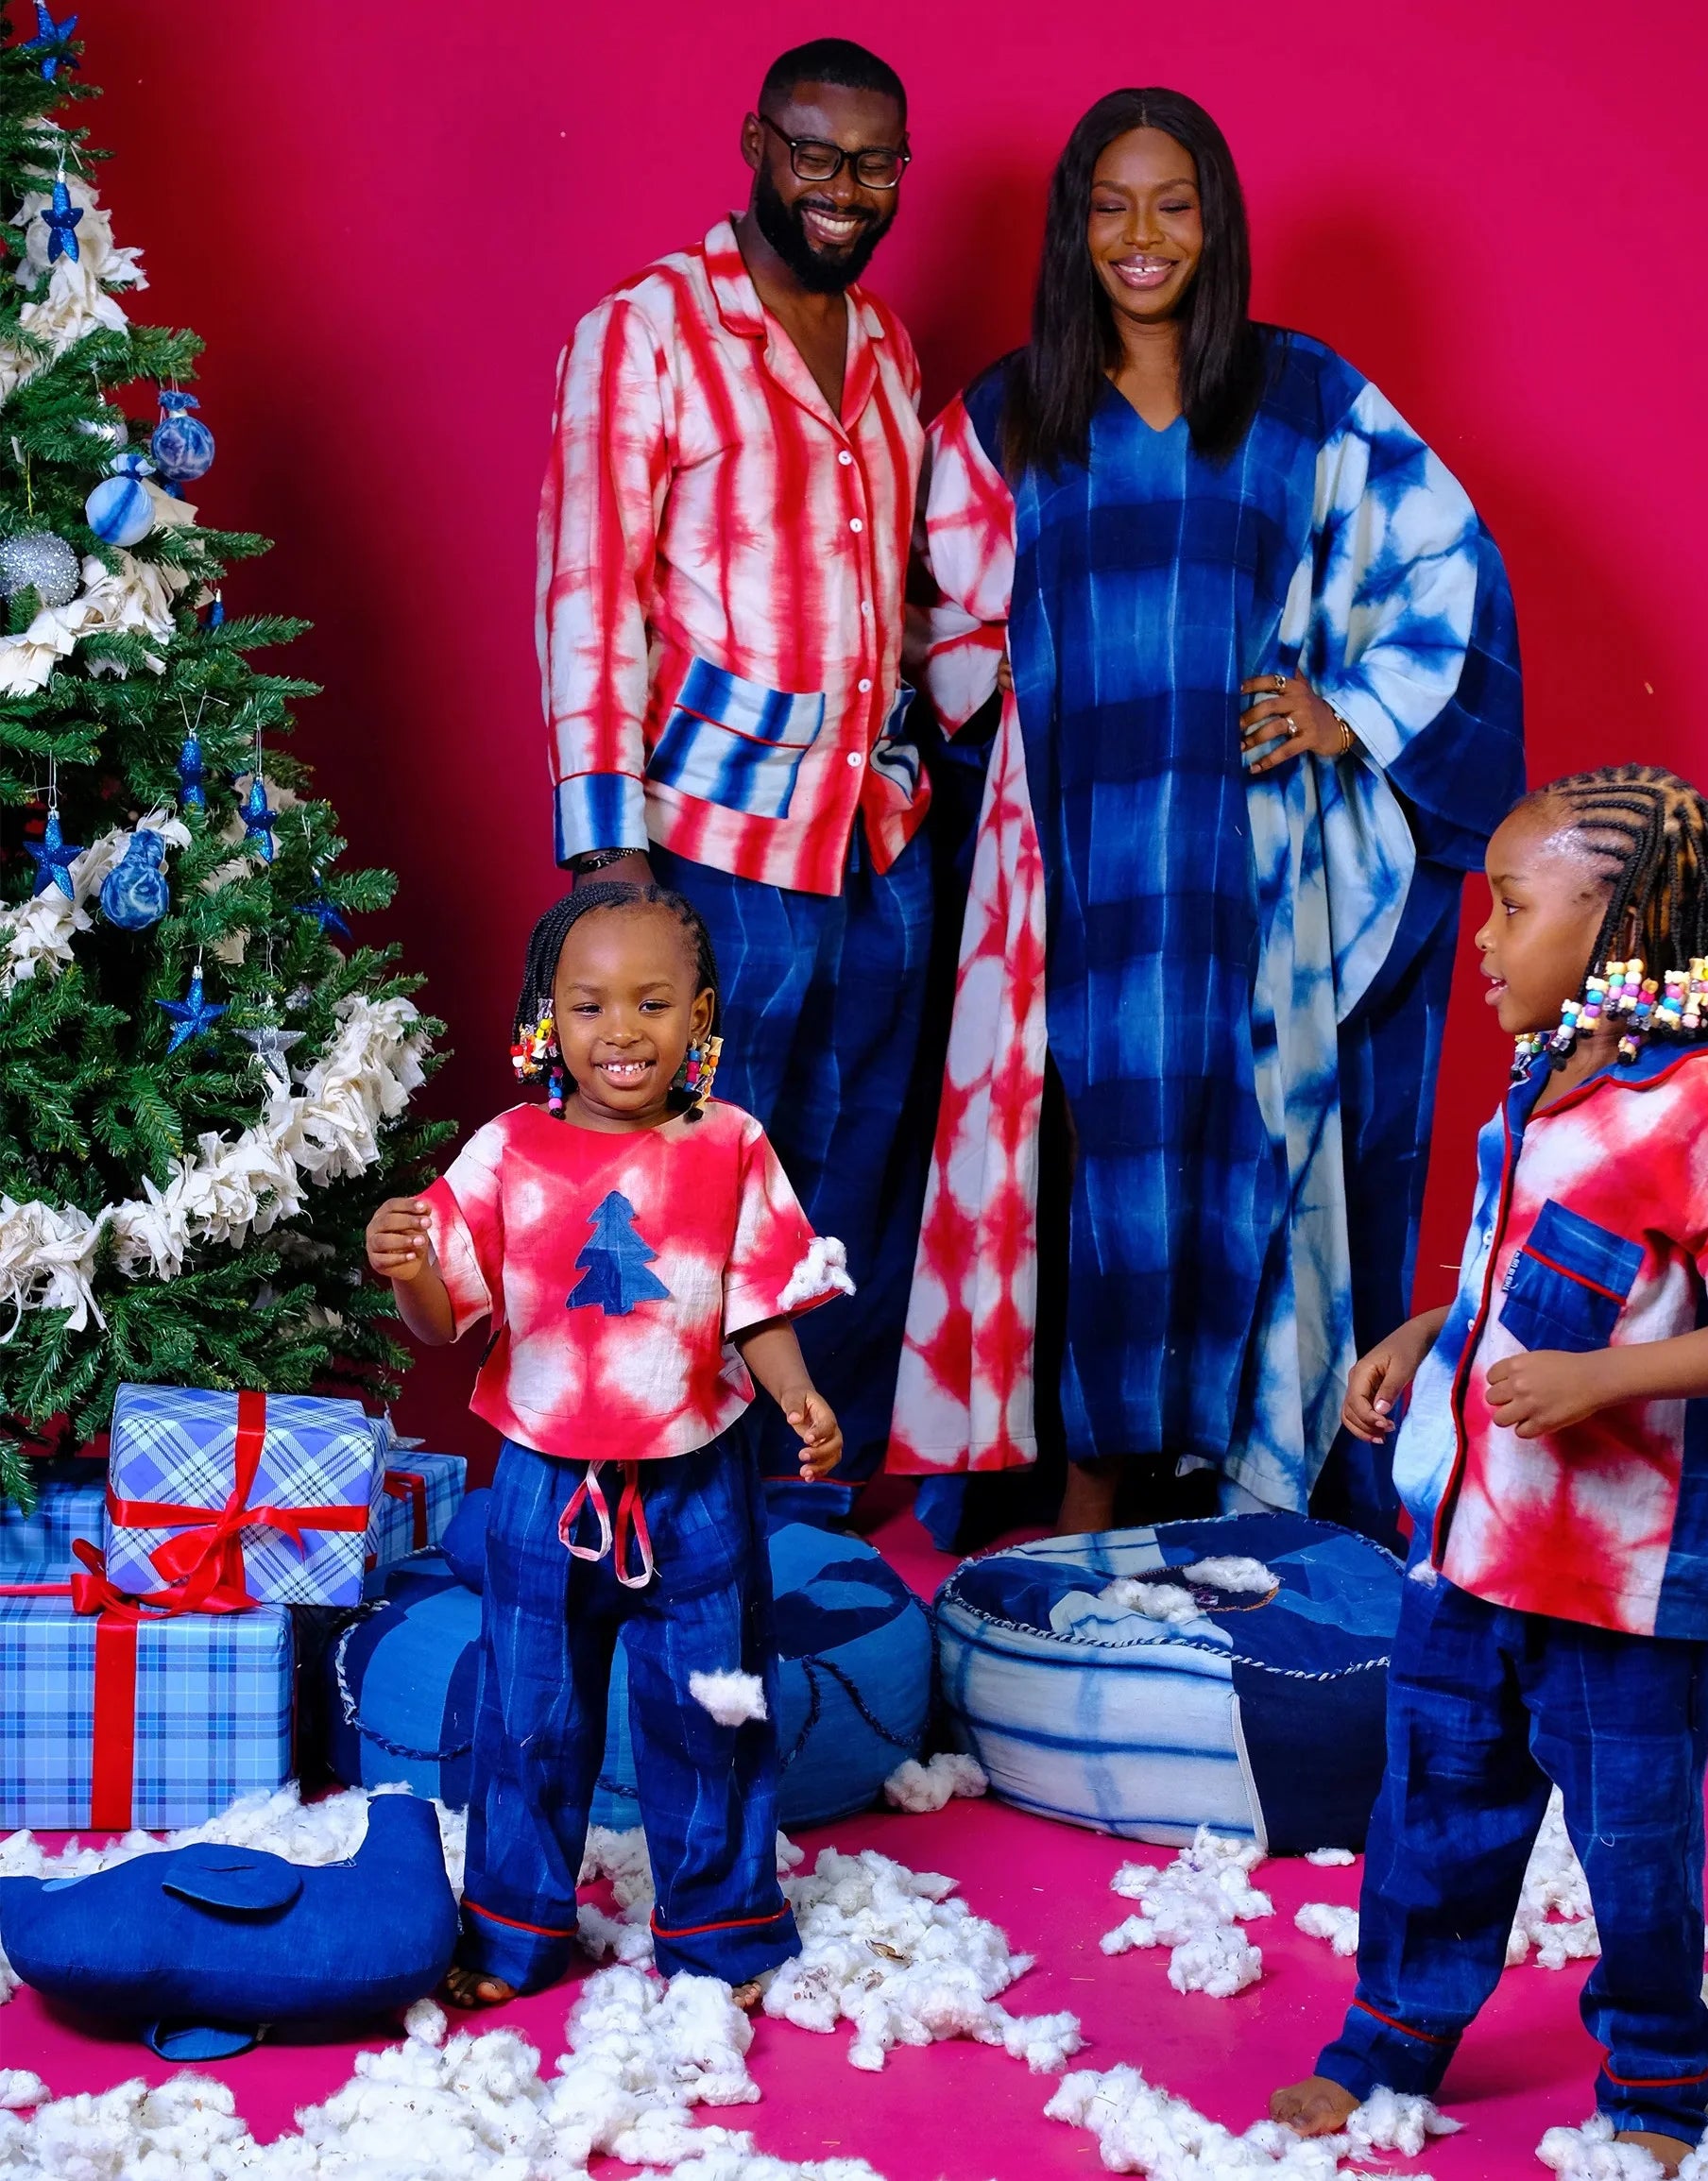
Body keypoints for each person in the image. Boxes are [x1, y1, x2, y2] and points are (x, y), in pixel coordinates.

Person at [891, 88, 1523, 1538]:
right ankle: (1093, 1481)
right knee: (1088, 1159)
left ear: (1217, 223)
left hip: (1250, 869)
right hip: (1076, 865)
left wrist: (1346, 708)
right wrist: (1006, 685)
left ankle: (1242, 1477)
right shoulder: (1007, 410)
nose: (1142, 234)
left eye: (1172, 203)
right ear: (1073, 230)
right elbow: (939, 634)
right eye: (1110, 205)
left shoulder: (1301, 397)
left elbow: (1449, 566)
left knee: (1248, 1141)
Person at [1271, 765, 1708, 2175]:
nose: (1484, 937)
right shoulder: (1535, 1095)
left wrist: (1605, 1382)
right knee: (1432, 1812)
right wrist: (1417, 1338)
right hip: (1468, 1556)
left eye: (1512, 909)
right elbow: (1505, 1284)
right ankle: (1386, 2040)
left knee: (1634, 1845)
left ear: (1621, 926)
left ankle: (1651, 2081)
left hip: (1619, 1592)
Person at [538, 38, 928, 1510]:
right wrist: (605, 856)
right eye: (818, 157)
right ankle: (672, 1509)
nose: (844, 191)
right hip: (712, 843)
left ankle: (808, 1515)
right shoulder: (644, 330)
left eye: (876, 164)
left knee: (847, 1191)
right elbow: (589, 591)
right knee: (696, 1189)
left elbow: (905, 594)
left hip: (877, 848)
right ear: (757, 143)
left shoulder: (887, 349)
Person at [365, 882, 850, 2007]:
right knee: (529, 1710)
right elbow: (448, 1318)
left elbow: (757, 1299)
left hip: (696, 1477)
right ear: (548, 1017)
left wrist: (797, 1395)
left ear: (700, 1019)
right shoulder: (507, 1150)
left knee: (712, 1706)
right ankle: (509, 1932)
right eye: (588, 1006)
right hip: (543, 1475)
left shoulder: (731, 1144)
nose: (620, 1031)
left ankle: (722, 1931)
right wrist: (410, 1270)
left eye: (651, 1003)